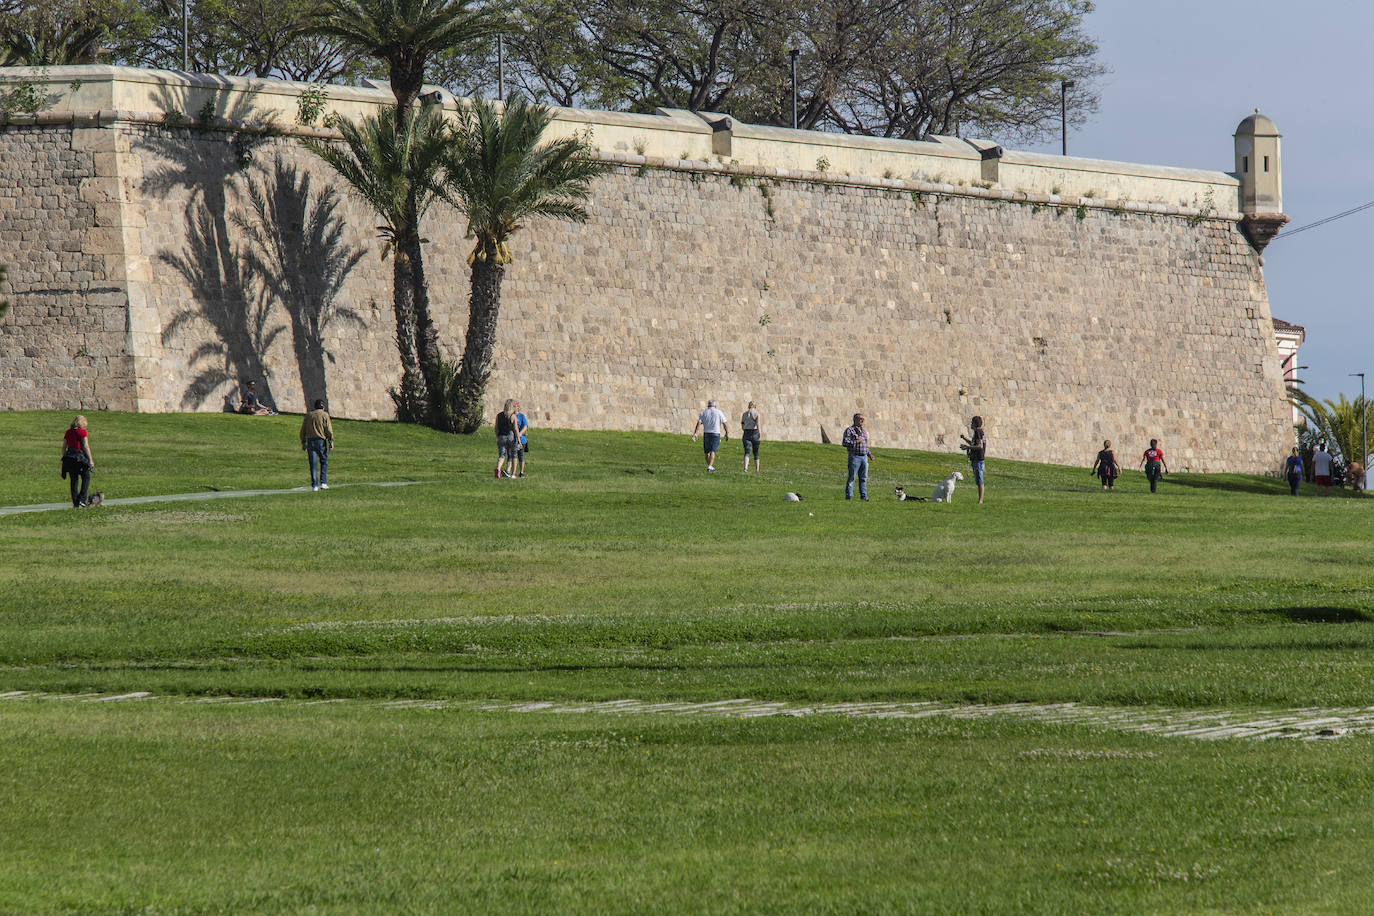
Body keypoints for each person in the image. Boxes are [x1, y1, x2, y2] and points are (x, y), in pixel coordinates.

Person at [59, 415, 94, 508]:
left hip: (70, 457)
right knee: (86, 477)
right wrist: (90, 460)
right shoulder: (82, 432)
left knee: (74, 480)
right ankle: (82, 499)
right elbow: (85, 446)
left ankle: (75, 502)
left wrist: (64, 457)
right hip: (79, 458)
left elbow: (64, 446)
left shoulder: (68, 432)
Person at [299, 399, 334, 491]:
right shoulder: (325, 415)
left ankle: (314, 485)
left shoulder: (309, 416)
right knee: (323, 461)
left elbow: (303, 430)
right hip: (321, 441)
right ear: (323, 407)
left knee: (313, 464)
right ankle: (323, 482)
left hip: (310, 441)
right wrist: (330, 440)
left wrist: (303, 442)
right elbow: (328, 429)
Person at [691, 399, 729, 472]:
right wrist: (727, 433)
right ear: (715, 405)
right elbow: (725, 423)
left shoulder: (704, 412)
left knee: (706, 452)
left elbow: (698, 423)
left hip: (706, 433)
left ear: (708, 405)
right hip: (715, 433)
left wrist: (695, 433)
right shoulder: (719, 412)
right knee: (713, 451)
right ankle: (710, 466)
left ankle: (710, 466)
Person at [841, 412, 871, 501]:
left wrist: (869, 454)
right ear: (855, 420)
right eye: (860, 419)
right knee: (852, 477)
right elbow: (844, 442)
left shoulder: (864, 431)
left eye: (863, 419)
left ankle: (864, 496)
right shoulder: (849, 430)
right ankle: (849, 496)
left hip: (864, 457)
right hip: (855, 457)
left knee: (863, 478)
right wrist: (855, 442)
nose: (862, 420)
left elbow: (865, 445)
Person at [959, 415, 987, 504]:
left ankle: (980, 500)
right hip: (977, 459)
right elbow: (973, 443)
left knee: (980, 480)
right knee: (978, 480)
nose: (971, 424)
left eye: (972, 422)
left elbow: (979, 446)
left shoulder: (978, 432)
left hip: (978, 459)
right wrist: (965, 439)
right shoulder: (978, 432)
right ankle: (980, 500)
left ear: (975, 424)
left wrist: (967, 447)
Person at [495, 399, 519, 479]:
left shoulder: (499, 415)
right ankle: (508, 471)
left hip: (501, 436)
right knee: (510, 455)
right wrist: (518, 439)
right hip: (510, 437)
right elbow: (515, 429)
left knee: (501, 455)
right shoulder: (513, 416)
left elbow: (496, 427)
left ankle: (498, 469)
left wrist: (497, 436)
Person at [740, 401, 761, 472]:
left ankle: (745, 468)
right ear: (755, 406)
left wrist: (744, 428)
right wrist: (760, 434)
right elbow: (758, 425)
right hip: (755, 432)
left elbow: (742, 423)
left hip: (746, 432)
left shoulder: (744, 414)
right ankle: (757, 469)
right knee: (756, 452)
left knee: (747, 452)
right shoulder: (757, 414)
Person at [513, 401, 529, 478]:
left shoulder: (521, 416)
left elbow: (525, 426)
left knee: (521, 456)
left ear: (518, 407)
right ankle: (512, 472)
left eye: (515, 406)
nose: (514, 408)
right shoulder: (511, 415)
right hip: (512, 439)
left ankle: (521, 472)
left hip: (521, 440)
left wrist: (520, 434)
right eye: (512, 406)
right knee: (513, 456)